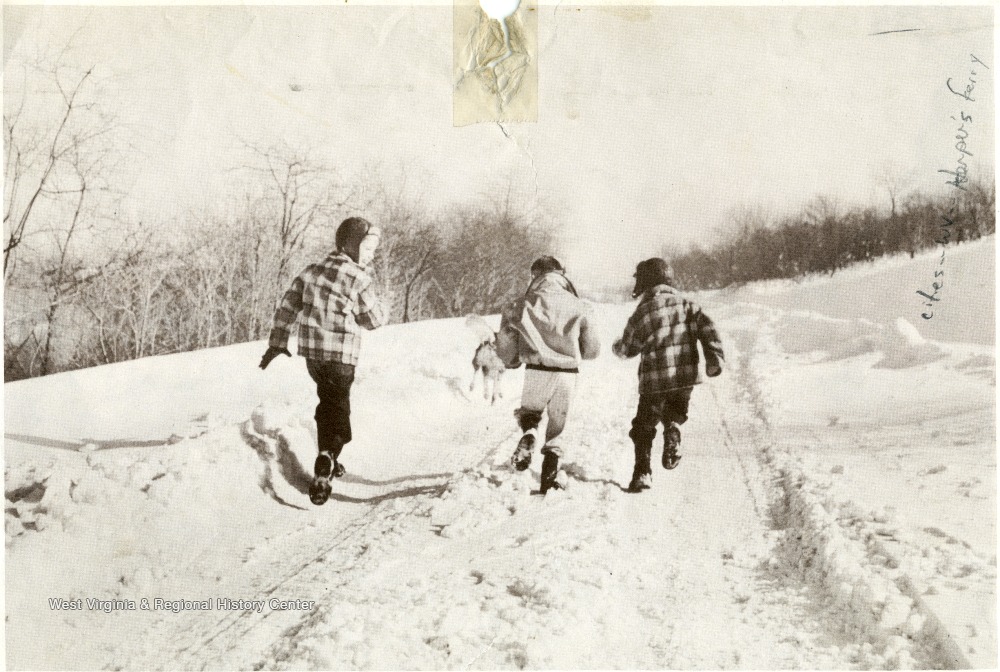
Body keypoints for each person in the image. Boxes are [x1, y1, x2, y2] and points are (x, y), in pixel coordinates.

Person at [259, 217, 386, 506]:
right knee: (338, 406)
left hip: (314, 358)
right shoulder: (359, 279)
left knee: (327, 402)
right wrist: (377, 307)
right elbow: (373, 321)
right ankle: (328, 457)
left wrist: (277, 343)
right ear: (350, 246)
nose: (371, 255)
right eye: (367, 249)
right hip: (342, 357)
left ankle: (330, 454)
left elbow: (287, 308)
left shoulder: (310, 272)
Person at [612, 258, 724, 493]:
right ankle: (673, 426)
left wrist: (617, 347)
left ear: (646, 283)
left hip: (654, 382)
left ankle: (642, 473)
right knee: (675, 411)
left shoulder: (643, 311)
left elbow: (628, 348)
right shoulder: (688, 305)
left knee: (643, 427)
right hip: (684, 379)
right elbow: (708, 329)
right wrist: (714, 358)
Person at [495, 256, 601, 494]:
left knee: (530, 413)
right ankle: (549, 478)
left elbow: (506, 348)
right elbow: (592, 351)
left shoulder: (519, 304)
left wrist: (511, 361)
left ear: (535, 276)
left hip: (536, 371)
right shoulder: (580, 306)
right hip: (567, 375)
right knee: (557, 428)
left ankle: (530, 432)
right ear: (561, 274)